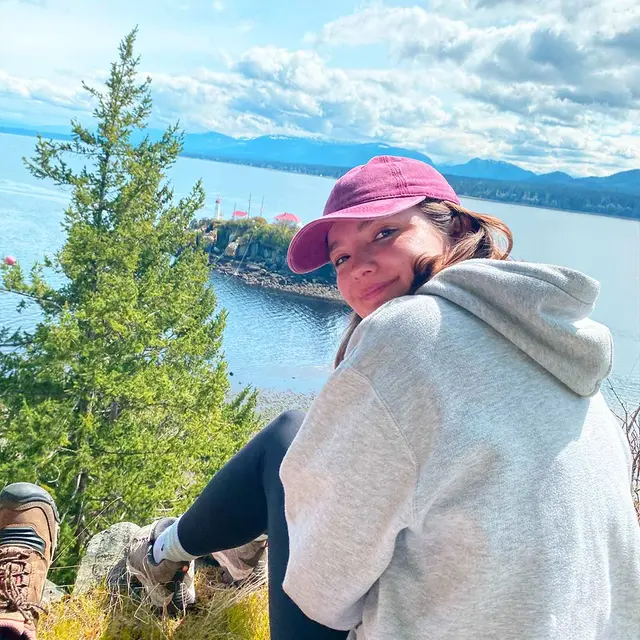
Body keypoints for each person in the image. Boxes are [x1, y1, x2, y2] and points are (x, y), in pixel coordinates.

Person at [1, 156, 639, 639]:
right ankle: (173, 553)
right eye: (340, 259)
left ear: (454, 228)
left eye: (384, 234)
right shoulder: (558, 349)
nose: (356, 267)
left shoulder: (410, 330)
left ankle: (157, 556)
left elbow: (323, 588)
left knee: (287, 440)